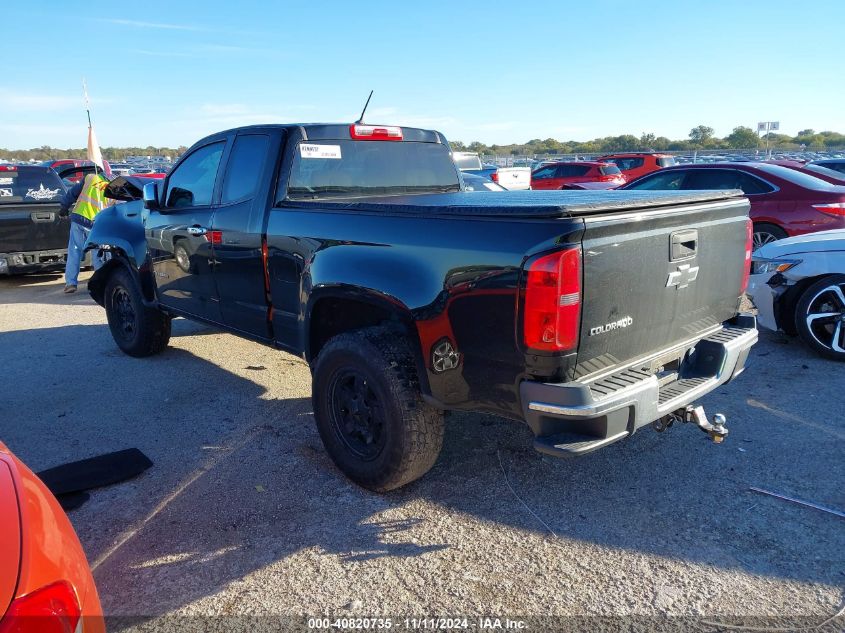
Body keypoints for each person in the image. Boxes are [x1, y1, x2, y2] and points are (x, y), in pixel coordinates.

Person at [59, 168, 114, 293]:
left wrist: (64, 207)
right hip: (96, 224)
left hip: (79, 217)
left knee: (74, 251)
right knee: (98, 254)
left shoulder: (90, 178)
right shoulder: (114, 189)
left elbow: (72, 193)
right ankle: (101, 284)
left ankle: (70, 283)